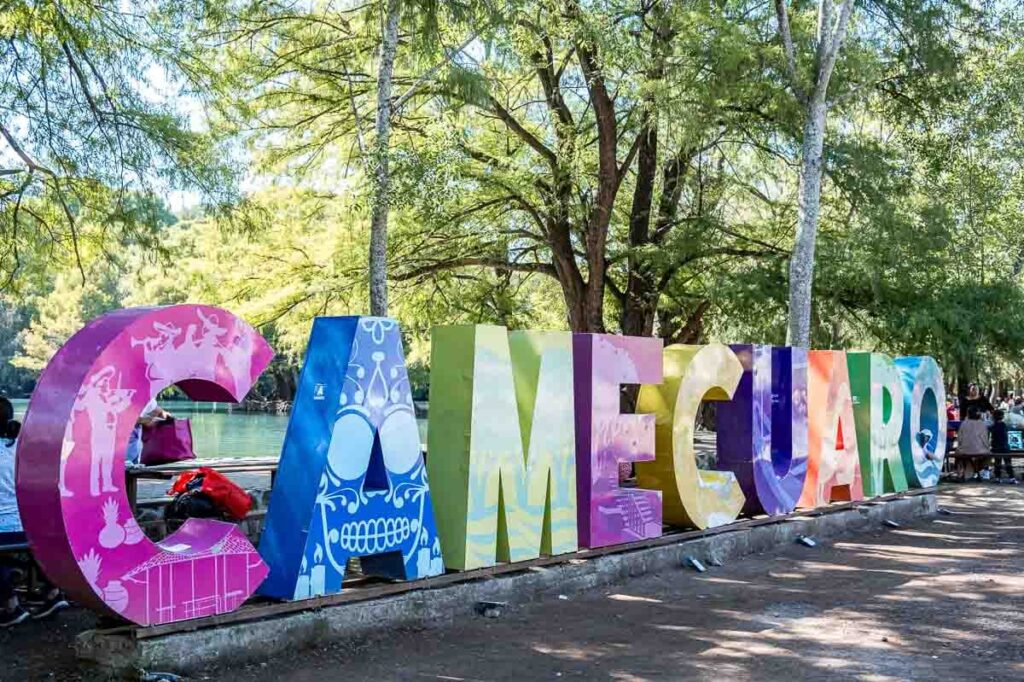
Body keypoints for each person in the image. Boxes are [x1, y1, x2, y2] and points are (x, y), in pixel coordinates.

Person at [0, 397, 70, 628]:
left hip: (6, 532)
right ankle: (52, 592)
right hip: (30, 526)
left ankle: (10, 605)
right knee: (31, 544)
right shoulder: (21, 448)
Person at [125, 398, 171, 466]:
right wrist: (142, 420)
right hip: (118, 445)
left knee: (133, 466)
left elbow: (156, 409)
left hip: (135, 446)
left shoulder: (146, 395)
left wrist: (163, 414)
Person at [955, 406, 991, 481]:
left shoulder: (964, 424)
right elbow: (985, 439)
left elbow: (959, 439)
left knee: (959, 455)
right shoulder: (982, 424)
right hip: (981, 450)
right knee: (987, 455)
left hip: (964, 450)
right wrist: (987, 447)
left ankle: (962, 473)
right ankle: (977, 471)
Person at [991, 410, 1017, 483]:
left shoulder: (993, 426)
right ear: (1002, 417)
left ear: (993, 417)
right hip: (1005, 447)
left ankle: (998, 478)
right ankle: (1012, 478)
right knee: (1008, 463)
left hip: (996, 448)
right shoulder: (1004, 425)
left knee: (997, 463)